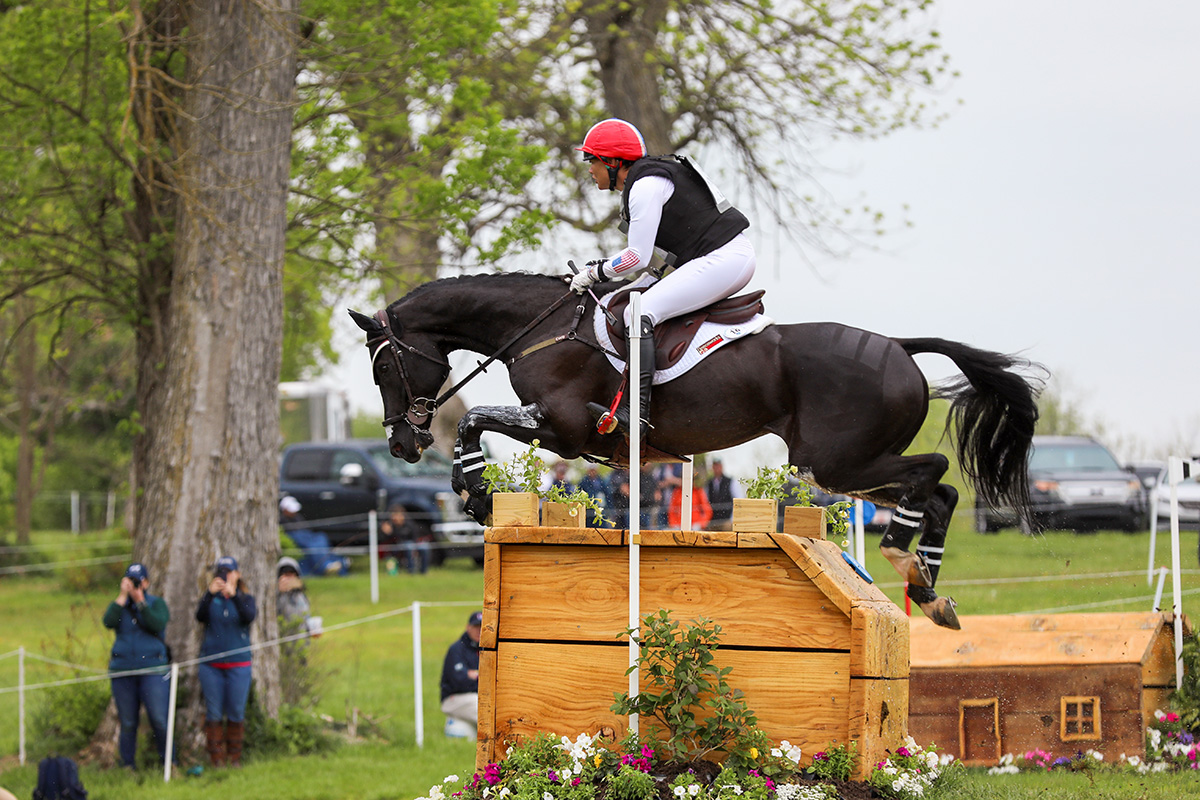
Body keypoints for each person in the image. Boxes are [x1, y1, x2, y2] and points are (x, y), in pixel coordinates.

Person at [569, 118, 756, 438]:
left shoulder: (644, 187)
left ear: (613, 162)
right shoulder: (645, 180)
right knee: (641, 295)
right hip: (720, 256)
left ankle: (637, 412)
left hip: (723, 259)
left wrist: (593, 273)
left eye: (592, 160)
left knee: (637, 312)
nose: (589, 169)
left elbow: (636, 259)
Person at [101, 562, 171, 769]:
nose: (134, 585)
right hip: (123, 671)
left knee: (159, 719)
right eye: (130, 581)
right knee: (128, 722)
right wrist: (122, 598)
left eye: (138, 581)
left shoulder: (156, 604)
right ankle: (127, 766)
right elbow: (108, 622)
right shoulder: (119, 606)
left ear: (146, 582)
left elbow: (157, 623)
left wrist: (141, 602)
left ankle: (168, 763)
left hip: (153, 670)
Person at [196, 556, 257, 768]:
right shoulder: (211, 599)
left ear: (237, 574)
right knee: (213, 712)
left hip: (238, 665)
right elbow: (199, 616)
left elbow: (249, 616)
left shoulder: (246, 598)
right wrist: (209, 594)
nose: (225, 576)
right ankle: (216, 758)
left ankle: (235, 757)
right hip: (211, 666)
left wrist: (235, 596)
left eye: (229, 572)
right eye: (221, 572)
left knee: (236, 711)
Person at [279, 495, 347, 576]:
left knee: (321, 537)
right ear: (285, 510)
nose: (294, 512)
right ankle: (325, 566)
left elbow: (305, 530)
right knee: (313, 545)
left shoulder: (297, 517)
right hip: (297, 537)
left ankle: (334, 562)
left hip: (306, 535)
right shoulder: (281, 519)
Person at [440, 610, 482, 736]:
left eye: (482, 627)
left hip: (478, 695)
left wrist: (474, 676)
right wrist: (481, 680)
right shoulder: (457, 649)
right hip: (454, 698)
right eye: (476, 627)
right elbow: (459, 680)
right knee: (482, 706)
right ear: (468, 627)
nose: (479, 631)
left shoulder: (488, 648)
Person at [379, 503, 431, 575]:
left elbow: (415, 535)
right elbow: (388, 540)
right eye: (395, 515)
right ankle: (411, 571)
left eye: (399, 515)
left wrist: (415, 545)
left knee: (424, 547)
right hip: (397, 547)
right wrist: (387, 532)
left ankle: (423, 571)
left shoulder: (409, 523)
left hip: (412, 543)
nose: (397, 517)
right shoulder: (389, 525)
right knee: (408, 546)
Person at [705, 458, 741, 531]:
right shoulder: (708, 484)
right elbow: (705, 501)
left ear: (722, 467)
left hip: (727, 520)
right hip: (712, 521)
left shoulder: (731, 482)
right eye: (715, 466)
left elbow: (739, 501)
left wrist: (732, 519)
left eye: (718, 466)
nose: (716, 468)